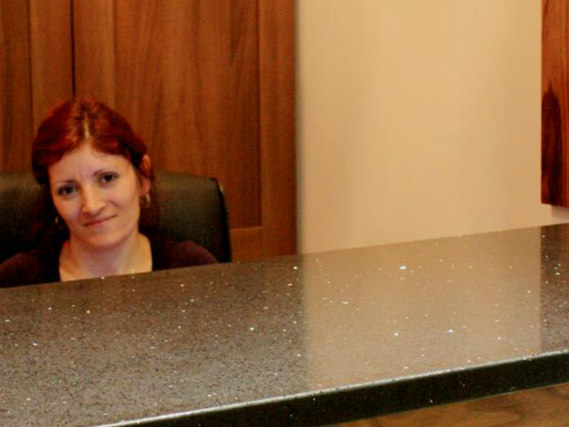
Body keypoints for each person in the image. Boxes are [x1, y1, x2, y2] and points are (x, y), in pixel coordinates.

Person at [0, 98, 216, 287]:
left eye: (107, 178)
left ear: (143, 177)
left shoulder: (195, 270)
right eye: (68, 190)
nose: (92, 206)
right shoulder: (15, 282)